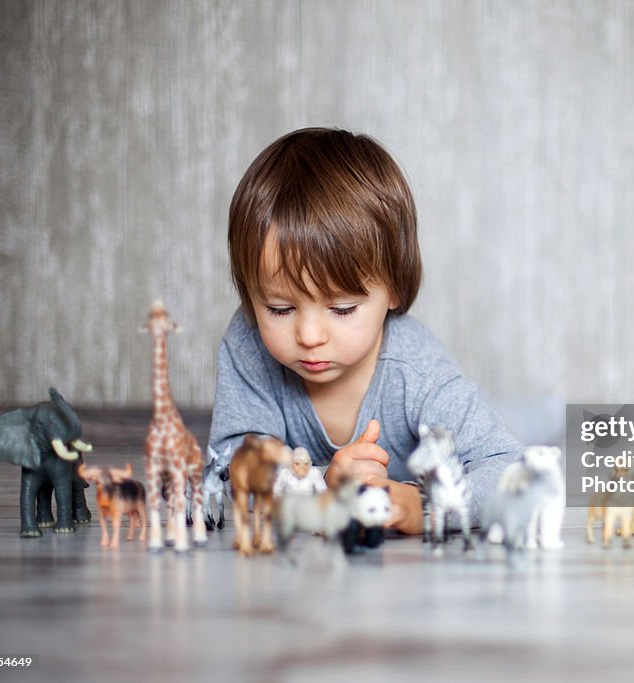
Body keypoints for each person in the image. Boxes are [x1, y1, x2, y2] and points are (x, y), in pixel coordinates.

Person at [209, 127, 522, 534]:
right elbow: (229, 470)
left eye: (341, 309)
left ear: (393, 289)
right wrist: (319, 483)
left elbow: (508, 468)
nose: (308, 335)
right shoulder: (248, 344)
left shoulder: (418, 371)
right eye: (280, 308)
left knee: (515, 425)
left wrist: (422, 507)